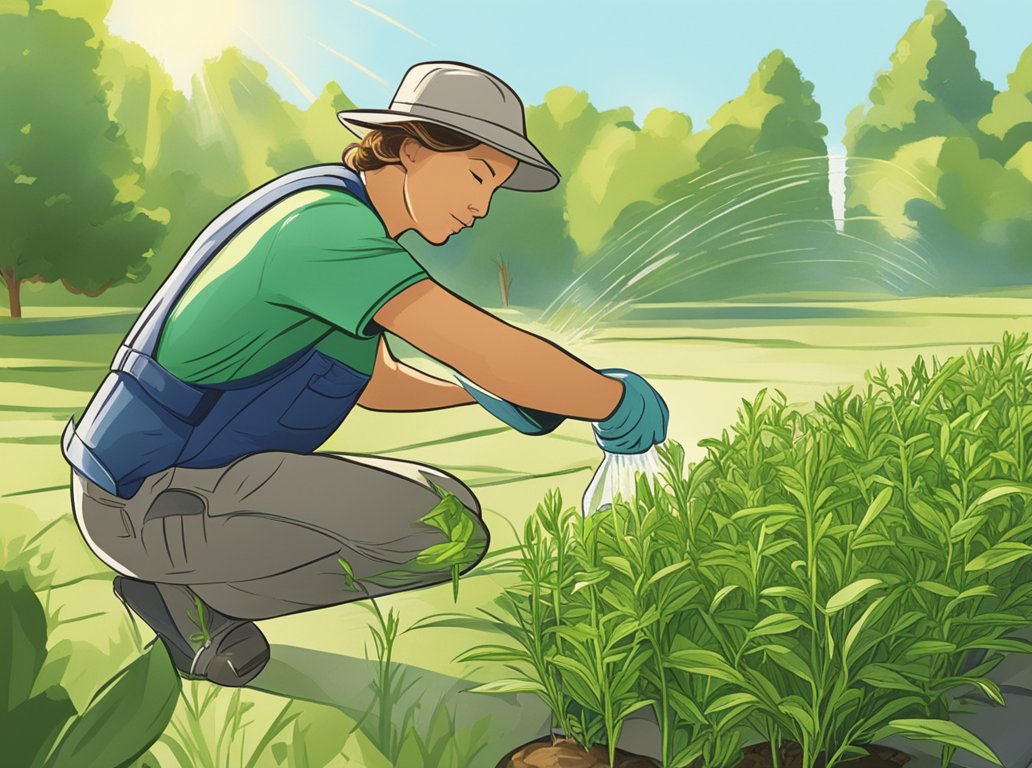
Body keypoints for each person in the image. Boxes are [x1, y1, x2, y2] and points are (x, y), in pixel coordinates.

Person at [61, 61, 669, 687]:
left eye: (495, 189)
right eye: (477, 176)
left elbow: (378, 383)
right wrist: (608, 398)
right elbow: (485, 347)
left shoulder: (348, 224)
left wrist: (473, 395)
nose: (482, 207)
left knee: (448, 514)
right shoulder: (324, 232)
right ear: (410, 149)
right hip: (144, 499)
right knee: (441, 533)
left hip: (203, 483)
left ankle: (189, 579)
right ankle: (186, 595)